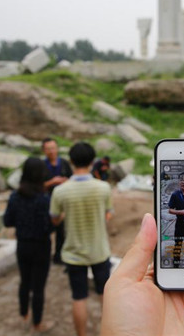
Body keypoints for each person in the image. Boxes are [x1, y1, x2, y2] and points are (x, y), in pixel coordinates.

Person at [50, 142, 113, 336]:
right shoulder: (103, 188)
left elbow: (55, 219)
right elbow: (108, 215)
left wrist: (64, 215)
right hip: (99, 251)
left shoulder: (60, 191)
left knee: (79, 298)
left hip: (73, 253)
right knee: (105, 296)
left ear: (71, 161)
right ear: (92, 161)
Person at [3, 157, 56, 333]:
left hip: (22, 246)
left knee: (24, 282)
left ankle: (23, 313)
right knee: (38, 288)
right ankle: (37, 323)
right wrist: (57, 221)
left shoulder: (14, 197)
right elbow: (47, 227)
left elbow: (7, 221)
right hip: (41, 247)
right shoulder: (44, 200)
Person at [42, 137, 73, 264]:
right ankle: (45, 255)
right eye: (48, 149)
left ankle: (59, 256)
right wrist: (52, 182)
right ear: (44, 151)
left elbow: (72, 179)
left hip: (64, 202)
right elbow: (38, 185)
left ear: (57, 149)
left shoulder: (65, 163)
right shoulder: (42, 166)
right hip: (46, 202)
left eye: (53, 148)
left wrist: (66, 181)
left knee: (62, 230)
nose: (51, 151)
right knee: (46, 230)